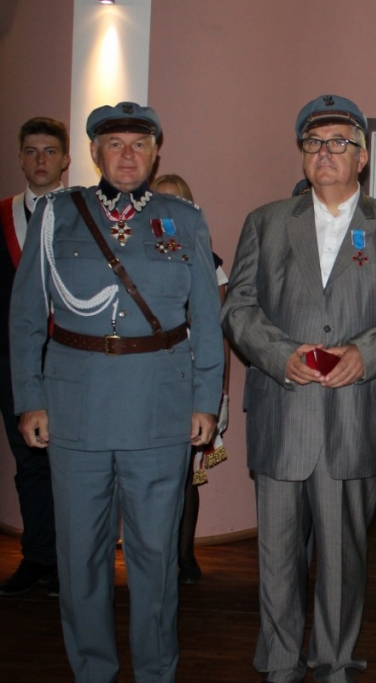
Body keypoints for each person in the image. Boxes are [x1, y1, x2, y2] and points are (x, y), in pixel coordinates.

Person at [9, 102, 223, 682]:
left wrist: (206, 401)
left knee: (156, 556)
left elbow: (207, 319)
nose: (128, 155)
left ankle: (156, 671)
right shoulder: (57, 215)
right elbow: (26, 318)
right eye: (115, 144)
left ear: (156, 153)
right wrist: (31, 398)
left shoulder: (184, 218)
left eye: (139, 144)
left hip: (159, 408)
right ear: (95, 153)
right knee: (81, 556)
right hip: (74, 409)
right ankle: (93, 671)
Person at [221, 94, 376, 683]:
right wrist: (280, 356)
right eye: (314, 143)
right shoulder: (265, 222)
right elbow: (238, 307)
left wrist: (367, 355)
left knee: (342, 558)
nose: (325, 152)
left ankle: (334, 662)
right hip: (284, 411)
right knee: (277, 557)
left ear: (363, 156)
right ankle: (281, 661)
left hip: (355, 416)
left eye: (339, 143)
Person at [0, 117, 68, 598]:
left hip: (72, 362)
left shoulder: (84, 215)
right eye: (31, 151)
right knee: (28, 464)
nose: (40, 160)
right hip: (14, 364)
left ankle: (72, 563)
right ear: (20, 158)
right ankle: (38, 557)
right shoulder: (1, 216)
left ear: (66, 160)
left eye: (49, 151)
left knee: (72, 467)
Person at [153, 173, 231, 585]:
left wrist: (218, 394)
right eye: (160, 200)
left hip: (190, 380)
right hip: (149, 381)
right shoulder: (138, 257)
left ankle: (184, 557)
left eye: (176, 201)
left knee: (184, 475)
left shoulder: (209, 261)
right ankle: (155, 556)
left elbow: (217, 332)